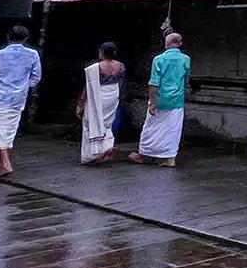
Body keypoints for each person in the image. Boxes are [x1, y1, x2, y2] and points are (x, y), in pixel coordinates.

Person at [0, 25, 42, 177]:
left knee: (0, 130)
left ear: (8, 37)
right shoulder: (32, 54)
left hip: (0, 98)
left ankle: (6, 164)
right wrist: (23, 86)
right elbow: (36, 77)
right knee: (6, 131)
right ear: (25, 39)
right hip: (18, 98)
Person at [131, 32, 189, 168]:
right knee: (173, 129)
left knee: (150, 127)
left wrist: (152, 102)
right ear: (180, 44)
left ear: (166, 44)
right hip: (177, 99)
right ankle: (170, 158)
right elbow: (186, 79)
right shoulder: (186, 59)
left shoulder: (159, 59)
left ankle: (143, 153)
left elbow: (154, 83)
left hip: (160, 98)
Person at [78, 42, 123, 165]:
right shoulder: (121, 66)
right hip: (113, 95)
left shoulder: (94, 68)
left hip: (98, 96)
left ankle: (92, 154)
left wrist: (81, 103)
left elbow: (88, 87)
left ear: (102, 52)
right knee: (107, 123)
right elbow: (120, 83)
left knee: (90, 122)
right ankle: (106, 147)